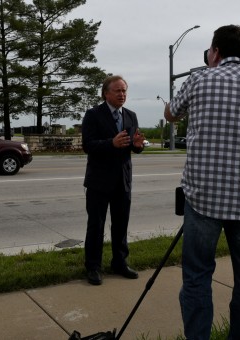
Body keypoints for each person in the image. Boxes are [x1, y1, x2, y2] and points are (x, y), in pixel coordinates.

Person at [164, 25, 240, 339]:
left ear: (215, 52)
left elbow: (171, 114)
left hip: (202, 198)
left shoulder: (199, 79)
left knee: (197, 277)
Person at [81, 75, 146, 285]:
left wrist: (138, 145)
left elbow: (134, 147)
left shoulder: (131, 116)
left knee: (121, 224)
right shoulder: (93, 115)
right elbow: (88, 145)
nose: (122, 94)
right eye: (118, 91)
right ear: (106, 93)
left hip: (123, 181)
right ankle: (93, 267)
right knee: (96, 226)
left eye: (124, 91)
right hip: (99, 181)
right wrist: (111, 143)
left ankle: (119, 262)